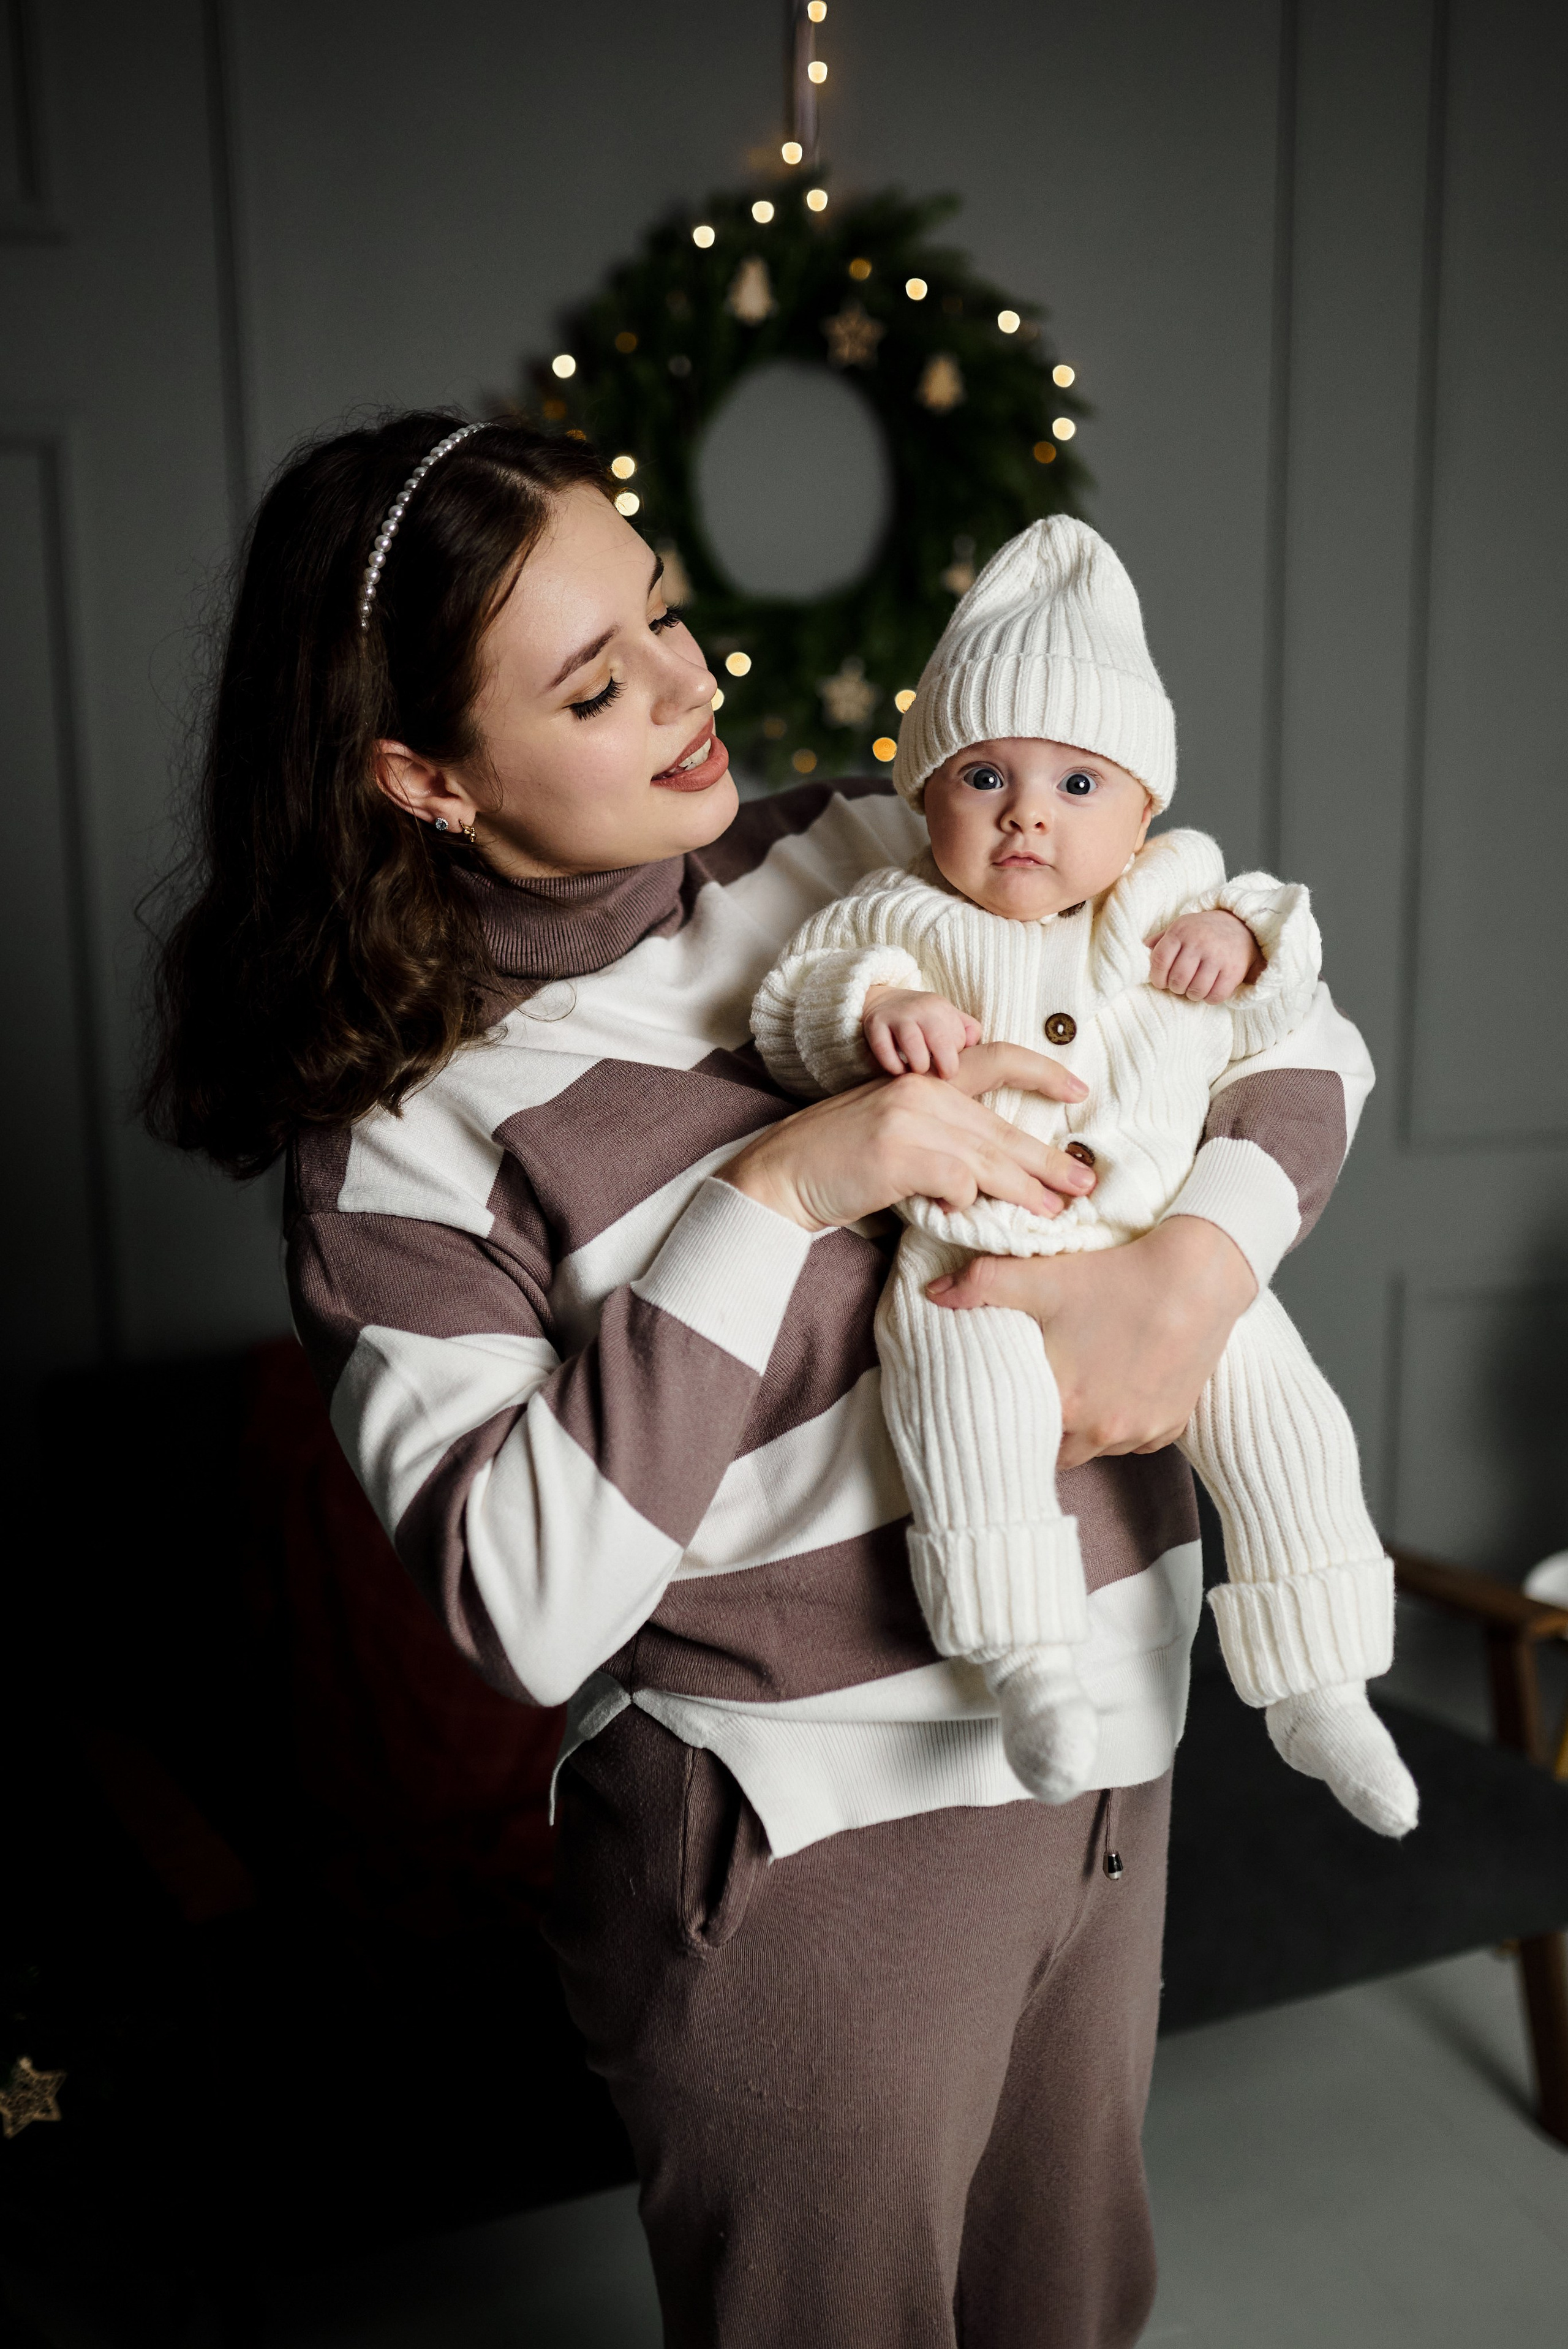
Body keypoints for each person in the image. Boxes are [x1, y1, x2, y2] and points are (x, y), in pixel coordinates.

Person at [147, 412, 1376, 2349]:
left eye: (662, 612)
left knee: (1078, 2314)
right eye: (593, 678)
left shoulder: (861, 844)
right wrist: (787, 1179)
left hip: (1105, 1752)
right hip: (808, 1852)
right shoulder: (403, 1148)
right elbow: (528, 1602)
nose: (687, 685)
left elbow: (1303, 1043)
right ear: (422, 775)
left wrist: (1198, 1270)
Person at [752, 518, 1418, 1836]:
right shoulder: (902, 918)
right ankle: (1026, 1665)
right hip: (969, 1266)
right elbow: (803, 999)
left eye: (1076, 784)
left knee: (1290, 1430)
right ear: (921, 794)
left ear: (1143, 811)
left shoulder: (1178, 899)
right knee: (971, 1439)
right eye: (983, 773)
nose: (1023, 815)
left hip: (1166, 1247)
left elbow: (1289, 960)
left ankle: (1322, 1682)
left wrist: (1239, 936)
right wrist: (884, 1016)